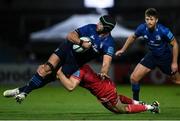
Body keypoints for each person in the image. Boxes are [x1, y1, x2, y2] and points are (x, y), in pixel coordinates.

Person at [3, 15, 116, 103]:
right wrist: (81, 43)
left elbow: (106, 62)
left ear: (106, 28)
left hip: (75, 62)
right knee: (46, 68)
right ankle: (25, 93)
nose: (97, 24)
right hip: (67, 48)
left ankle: (21, 90)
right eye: (99, 21)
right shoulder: (90, 27)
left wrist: (103, 72)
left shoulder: (109, 43)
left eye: (101, 23)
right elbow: (70, 35)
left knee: (50, 77)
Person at [4, 64, 160, 114]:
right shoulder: (80, 64)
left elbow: (71, 87)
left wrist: (58, 72)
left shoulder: (78, 70)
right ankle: (22, 90)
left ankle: (151, 107)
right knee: (118, 98)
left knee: (121, 109)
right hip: (108, 85)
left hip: (104, 92)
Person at [115, 8, 180, 101]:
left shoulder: (164, 30)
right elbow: (132, 37)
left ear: (156, 20)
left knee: (177, 81)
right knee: (134, 78)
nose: (149, 22)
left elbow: (175, 44)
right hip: (152, 56)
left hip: (165, 57)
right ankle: (136, 103)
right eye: (147, 19)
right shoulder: (142, 28)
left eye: (151, 19)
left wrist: (174, 63)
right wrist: (123, 49)